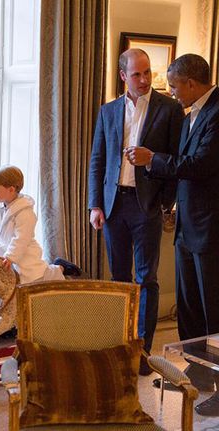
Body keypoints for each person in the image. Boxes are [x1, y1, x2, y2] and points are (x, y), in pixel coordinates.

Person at [125, 53, 219, 416]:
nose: (173, 92)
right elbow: (182, 167)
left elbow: (200, 167)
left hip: (210, 230)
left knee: (214, 315)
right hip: (187, 229)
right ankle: (195, 380)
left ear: (192, 84)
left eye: (175, 85)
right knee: (190, 312)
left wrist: (152, 160)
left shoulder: (216, 113)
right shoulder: (191, 113)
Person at [88, 48, 184, 375]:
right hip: (114, 205)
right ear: (123, 76)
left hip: (148, 205)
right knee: (118, 279)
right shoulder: (108, 111)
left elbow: (176, 161)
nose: (144, 80)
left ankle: (142, 351)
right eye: (137, 74)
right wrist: (95, 204)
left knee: (147, 279)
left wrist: (164, 202)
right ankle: (120, 342)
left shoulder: (170, 109)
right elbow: (97, 160)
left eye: (147, 73)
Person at [0, 165, 81, 283]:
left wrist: (10, 257)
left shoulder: (25, 212)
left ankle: (60, 267)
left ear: (11, 189)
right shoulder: (2, 207)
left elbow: (22, 238)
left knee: (38, 276)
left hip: (24, 253)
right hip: (8, 252)